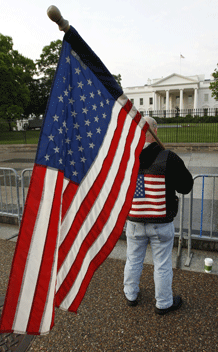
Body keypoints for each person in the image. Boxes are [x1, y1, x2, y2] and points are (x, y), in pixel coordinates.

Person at [123, 116, 193, 315]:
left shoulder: (128, 157)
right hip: (160, 222)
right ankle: (163, 302)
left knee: (133, 259)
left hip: (135, 220)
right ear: (155, 130)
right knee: (162, 265)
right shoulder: (167, 157)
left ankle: (131, 294)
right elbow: (186, 186)